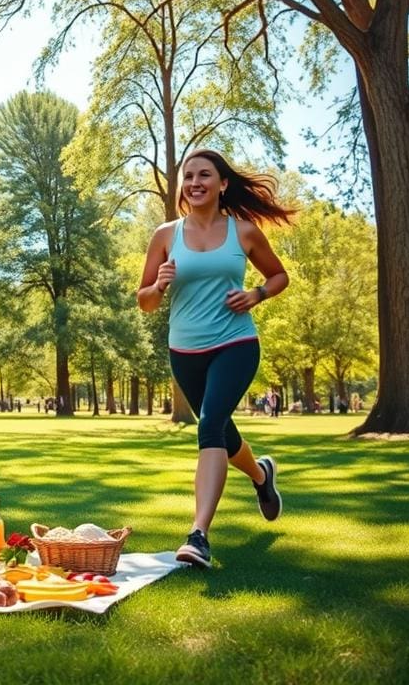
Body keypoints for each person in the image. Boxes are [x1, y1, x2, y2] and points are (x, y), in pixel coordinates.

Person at [136, 148, 294, 567]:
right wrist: (160, 286)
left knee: (209, 425)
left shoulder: (243, 232)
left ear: (223, 184)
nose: (195, 183)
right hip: (184, 351)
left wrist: (256, 294)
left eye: (204, 175)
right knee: (221, 431)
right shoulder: (165, 235)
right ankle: (261, 476)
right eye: (188, 176)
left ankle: (198, 535)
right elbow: (144, 302)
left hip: (235, 344)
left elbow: (279, 275)